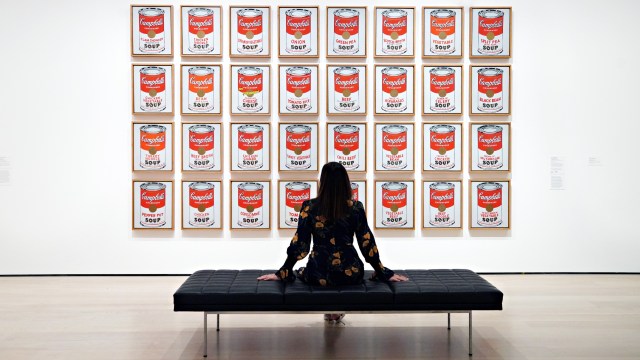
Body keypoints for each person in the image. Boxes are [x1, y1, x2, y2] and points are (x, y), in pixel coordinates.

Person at [258, 162, 408, 322]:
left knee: (301, 271)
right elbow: (366, 242)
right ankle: (335, 309)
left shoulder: (309, 207)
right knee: (345, 272)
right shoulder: (355, 207)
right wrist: (381, 271)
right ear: (345, 182)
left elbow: (300, 244)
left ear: (323, 182)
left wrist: (283, 271)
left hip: (319, 272)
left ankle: (330, 309)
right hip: (350, 273)